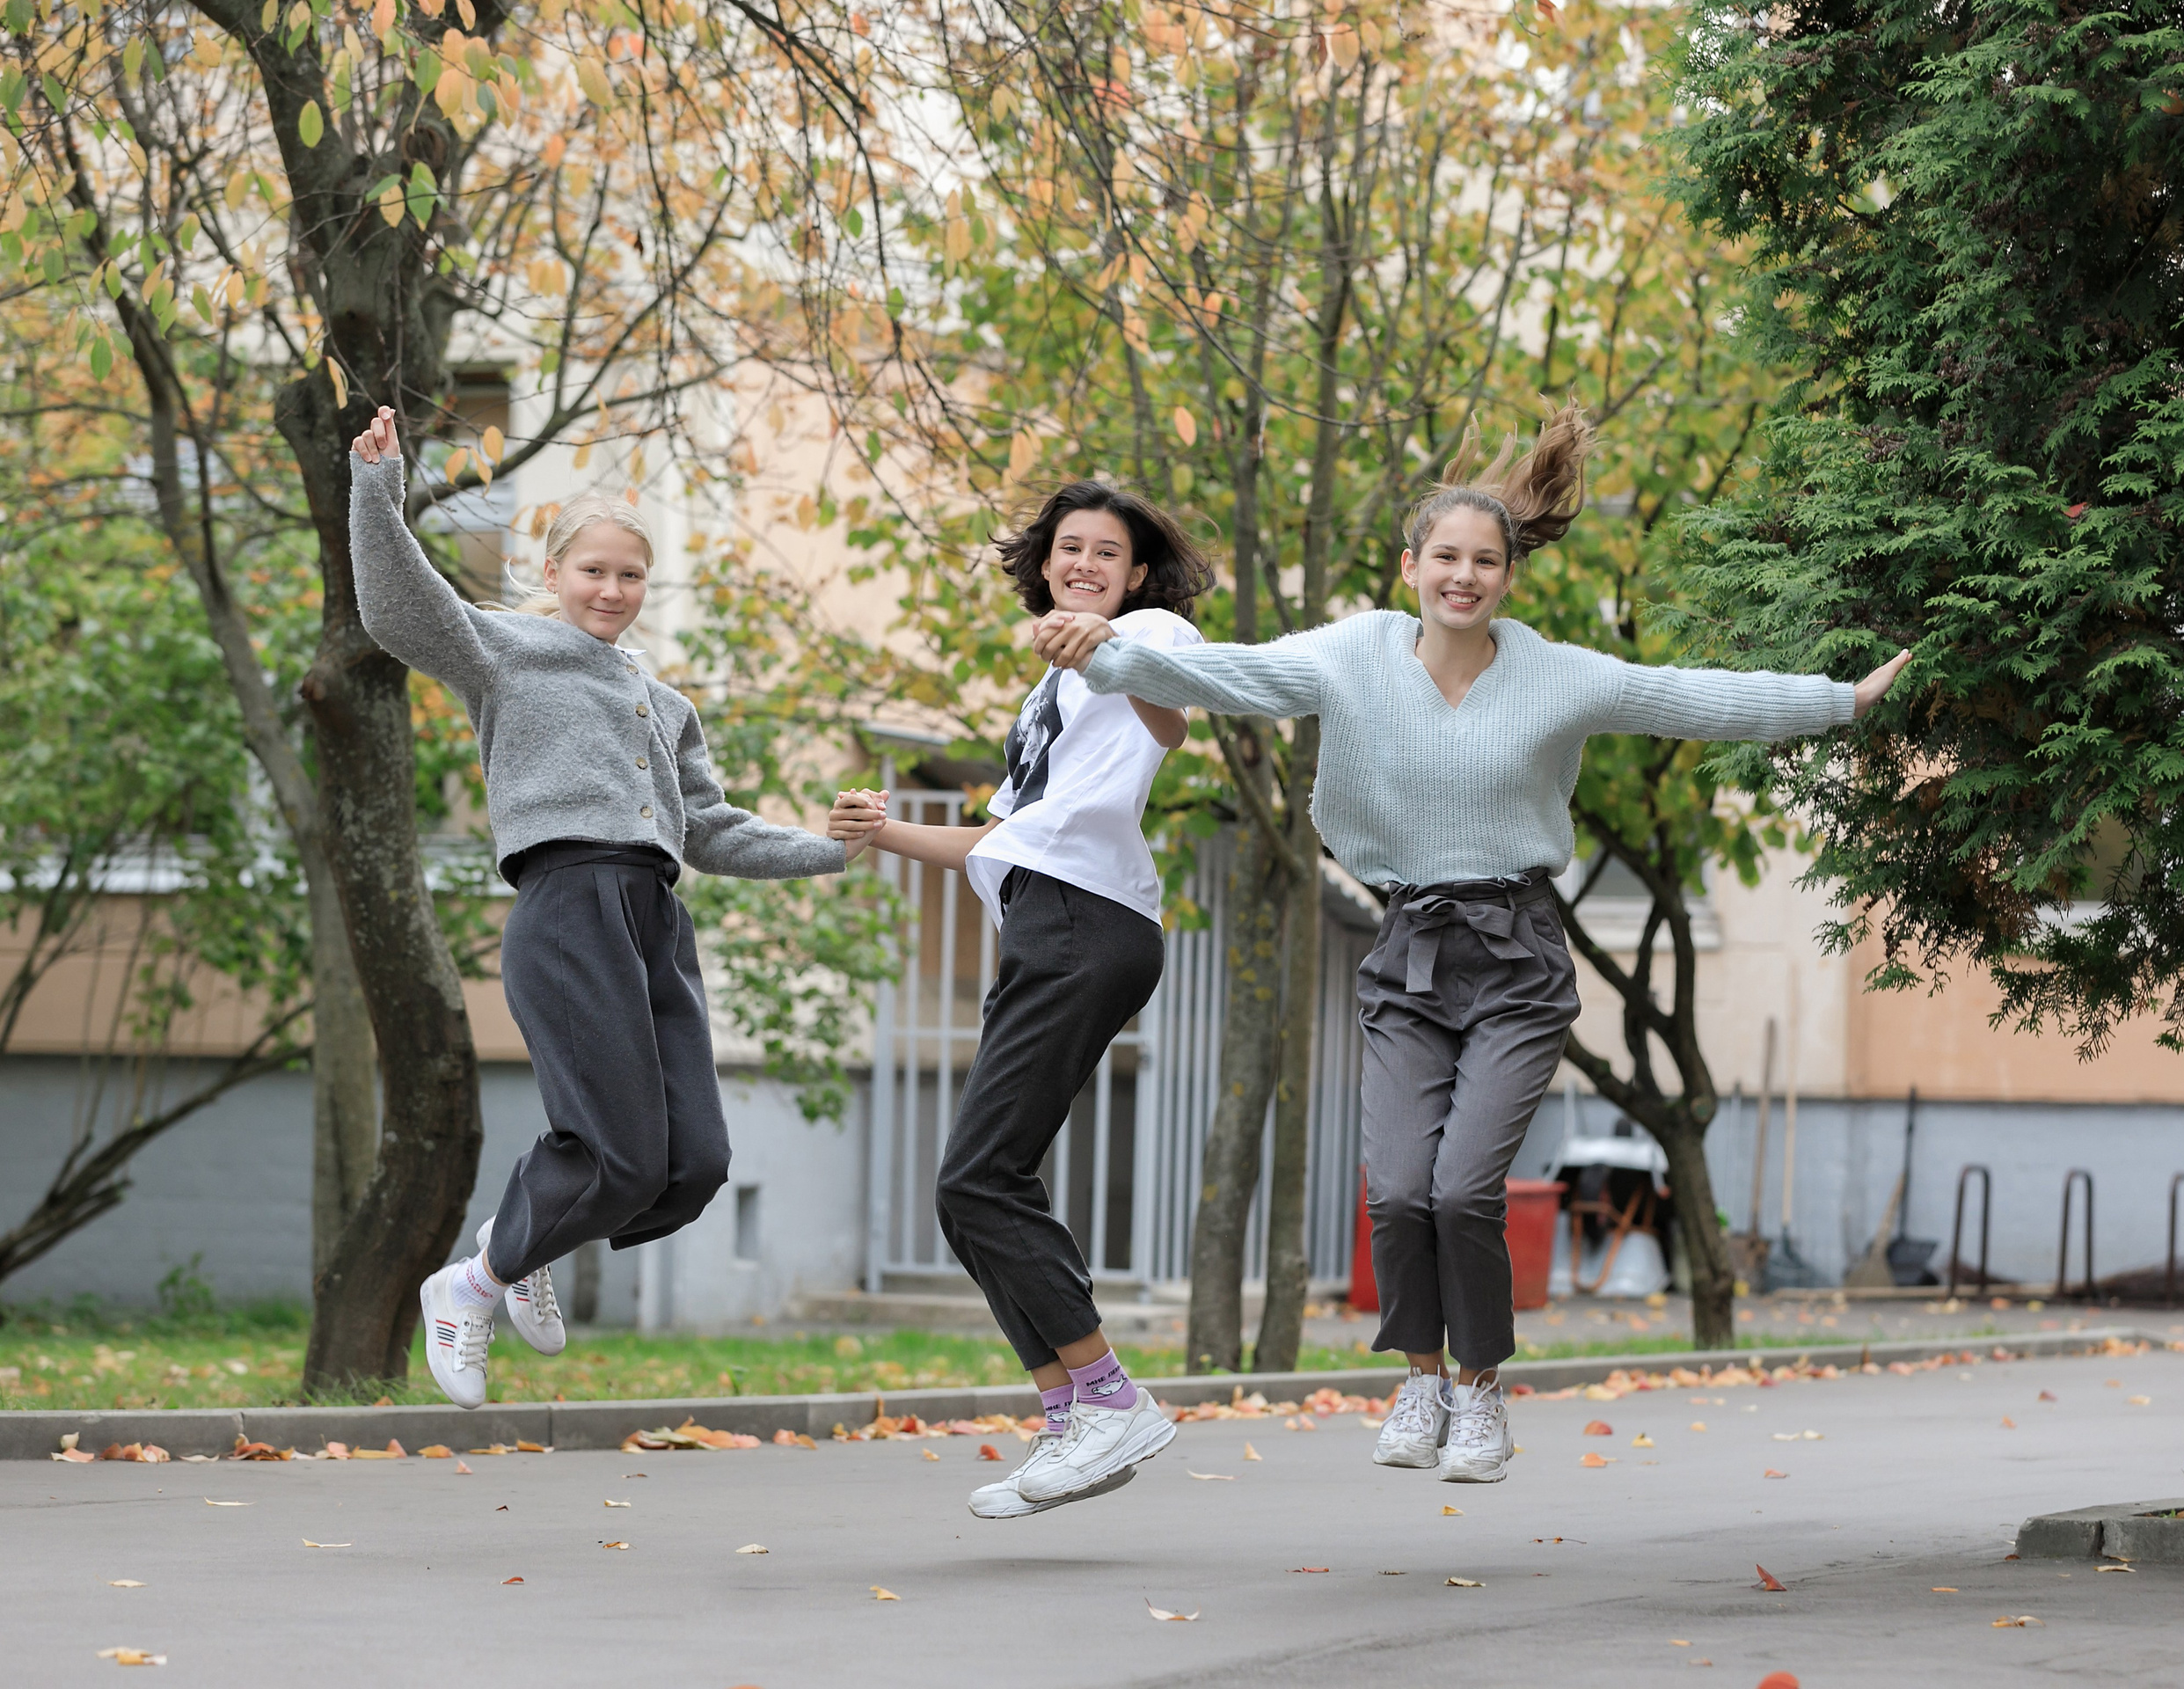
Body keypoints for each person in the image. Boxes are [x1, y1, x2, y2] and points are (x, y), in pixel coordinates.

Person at [1030, 404, 1911, 1483]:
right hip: (1406, 947)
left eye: (1483, 561)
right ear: (1410, 567)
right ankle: (1419, 1377)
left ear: (1506, 577)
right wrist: (1110, 655)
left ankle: (1480, 1396)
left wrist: (1839, 703)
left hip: (1517, 952)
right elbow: (1230, 678)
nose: (1464, 576)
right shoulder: (1349, 656)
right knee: (1398, 1190)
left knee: (1463, 1191)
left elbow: (1689, 697)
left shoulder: (1558, 675)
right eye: (1444, 556)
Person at [347, 406, 866, 1409]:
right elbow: (399, 613)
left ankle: (522, 1239)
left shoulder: (664, 705)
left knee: (696, 1161)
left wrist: (830, 848)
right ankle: (474, 1284)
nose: (613, 591)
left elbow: (708, 828)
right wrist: (377, 490)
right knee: (619, 1153)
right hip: (568, 906)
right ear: (555, 572)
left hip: (652, 921)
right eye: (594, 571)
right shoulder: (505, 652)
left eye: (631, 576)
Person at [828, 479, 1214, 1517]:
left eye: (1105, 551)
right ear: (1043, 565)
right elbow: (1002, 837)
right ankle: (1072, 1414)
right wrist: (881, 832)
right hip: (1045, 917)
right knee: (971, 1191)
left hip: (1085, 924)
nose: (1082, 562)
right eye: (1067, 548)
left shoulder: (1142, 638)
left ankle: (1108, 1400)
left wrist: (1119, 650)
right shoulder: (1044, 696)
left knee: (982, 1181)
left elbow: (1171, 719)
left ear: (1135, 574)